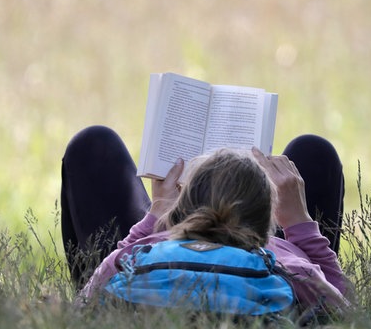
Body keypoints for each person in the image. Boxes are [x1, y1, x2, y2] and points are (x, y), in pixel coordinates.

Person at [60, 125, 350, 315]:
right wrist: (299, 222)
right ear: (269, 225)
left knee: (92, 143)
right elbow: (346, 311)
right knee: (314, 151)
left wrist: (156, 217)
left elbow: (88, 297)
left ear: (183, 210)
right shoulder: (287, 260)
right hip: (264, 275)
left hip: (153, 267)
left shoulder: (142, 249)